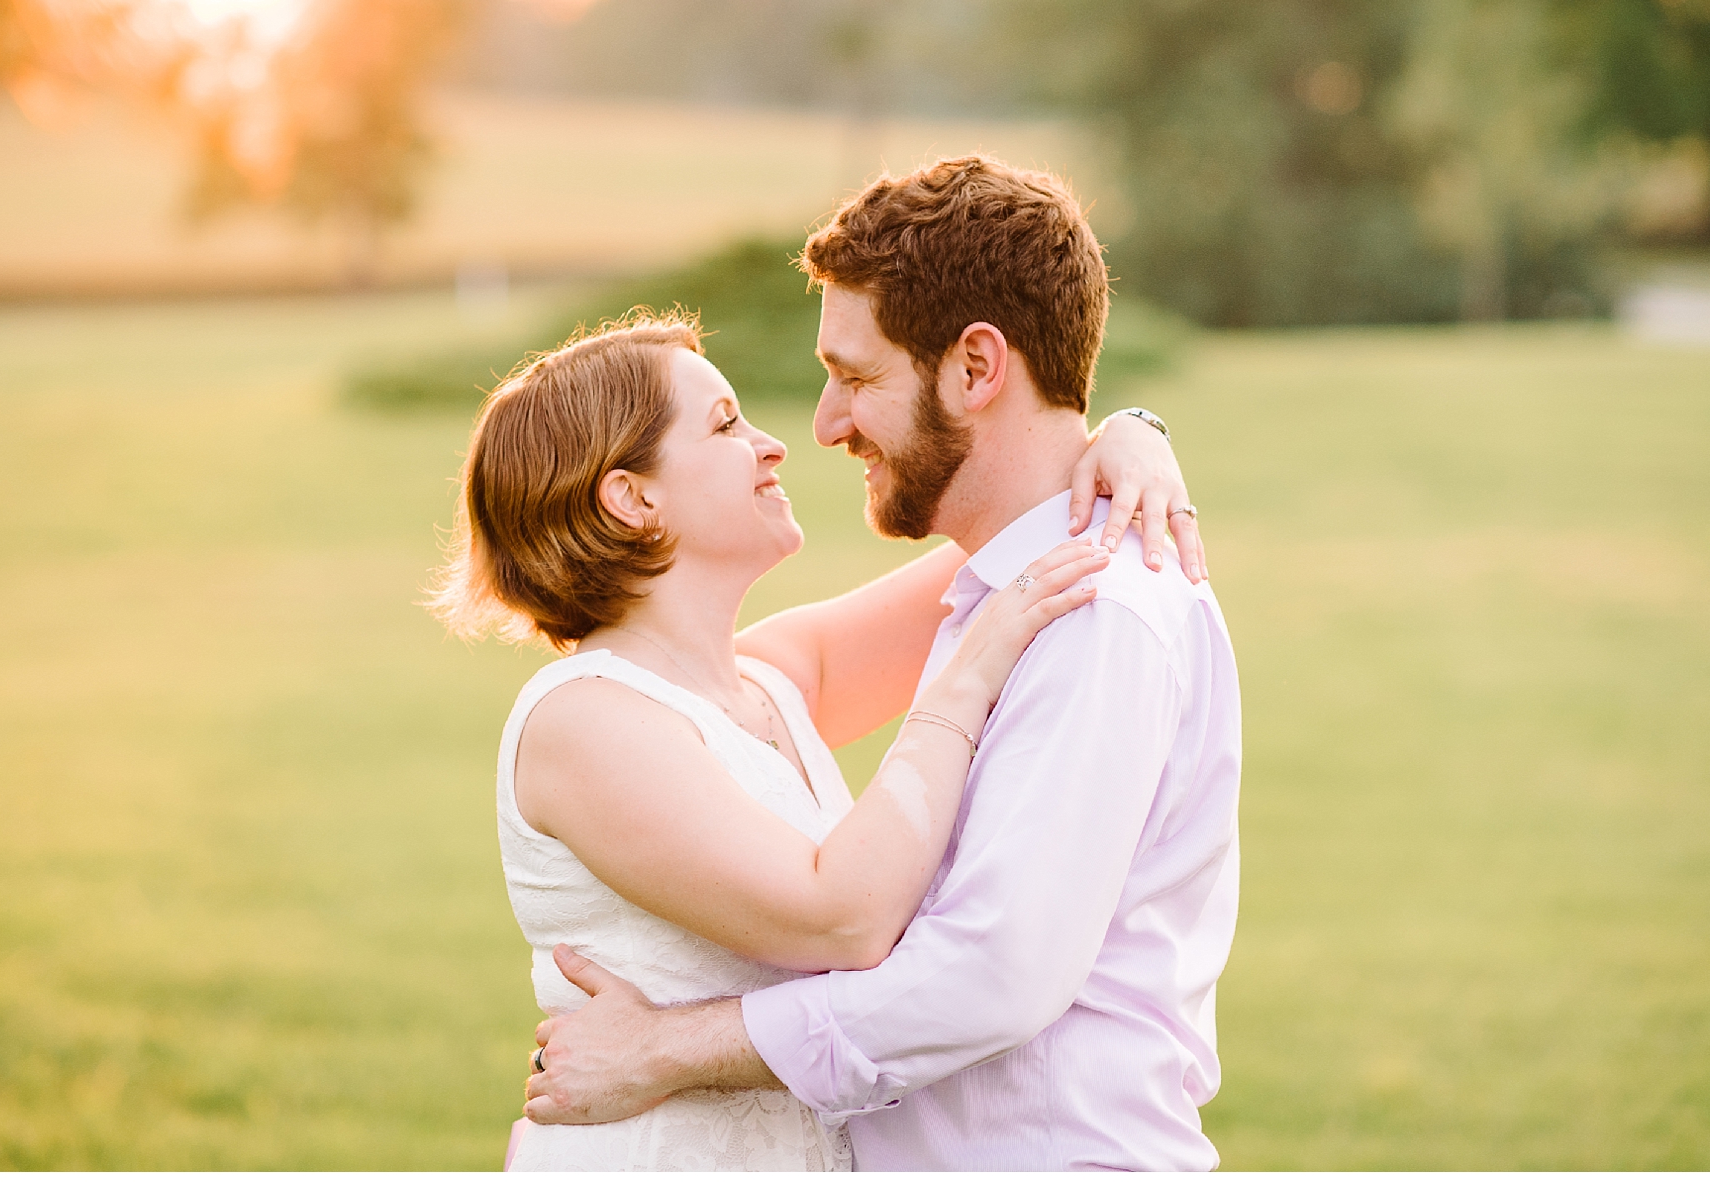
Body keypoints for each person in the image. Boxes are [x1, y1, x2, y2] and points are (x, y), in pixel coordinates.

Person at [521, 156, 1242, 1171]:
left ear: (976, 367)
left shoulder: (1086, 605)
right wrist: (1127, 429)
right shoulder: (999, 594)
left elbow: (988, 973)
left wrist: (664, 1047)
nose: (816, 429)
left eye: (855, 378)